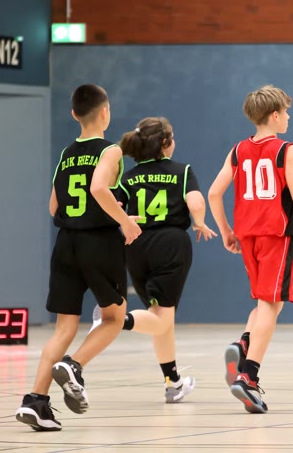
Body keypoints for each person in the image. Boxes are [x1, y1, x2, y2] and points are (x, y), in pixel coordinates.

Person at [15, 84, 142, 431]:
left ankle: (36, 401)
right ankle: (74, 365)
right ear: (105, 112)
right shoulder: (111, 150)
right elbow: (98, 188)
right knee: (114, 317)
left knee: (64, 327)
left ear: (74, 114)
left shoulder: (67, 154)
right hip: (98, 242)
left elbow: (52, 206)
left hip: (65, 243)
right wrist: (125, 221)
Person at [208, 85, 293, 413]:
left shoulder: (238, 150)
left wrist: (226, 231)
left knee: (264, 301)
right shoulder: (286, 150)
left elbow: (214, 193)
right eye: (286, 112)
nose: (289, 117)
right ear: (274, 115)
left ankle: (244, 342)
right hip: (277, 234)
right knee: (271, 305)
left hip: (247, 236)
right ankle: (249, 376)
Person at [90, 117, 217, 404]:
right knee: (161, 319)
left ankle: (173, 383)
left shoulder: (129, 177)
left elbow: (113, 206)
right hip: (170, 244)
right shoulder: (182, 171)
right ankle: (115, 320)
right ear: (165, 143)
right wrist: (199, 222)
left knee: (160, 315)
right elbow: (196, 201)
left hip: (135, 245)